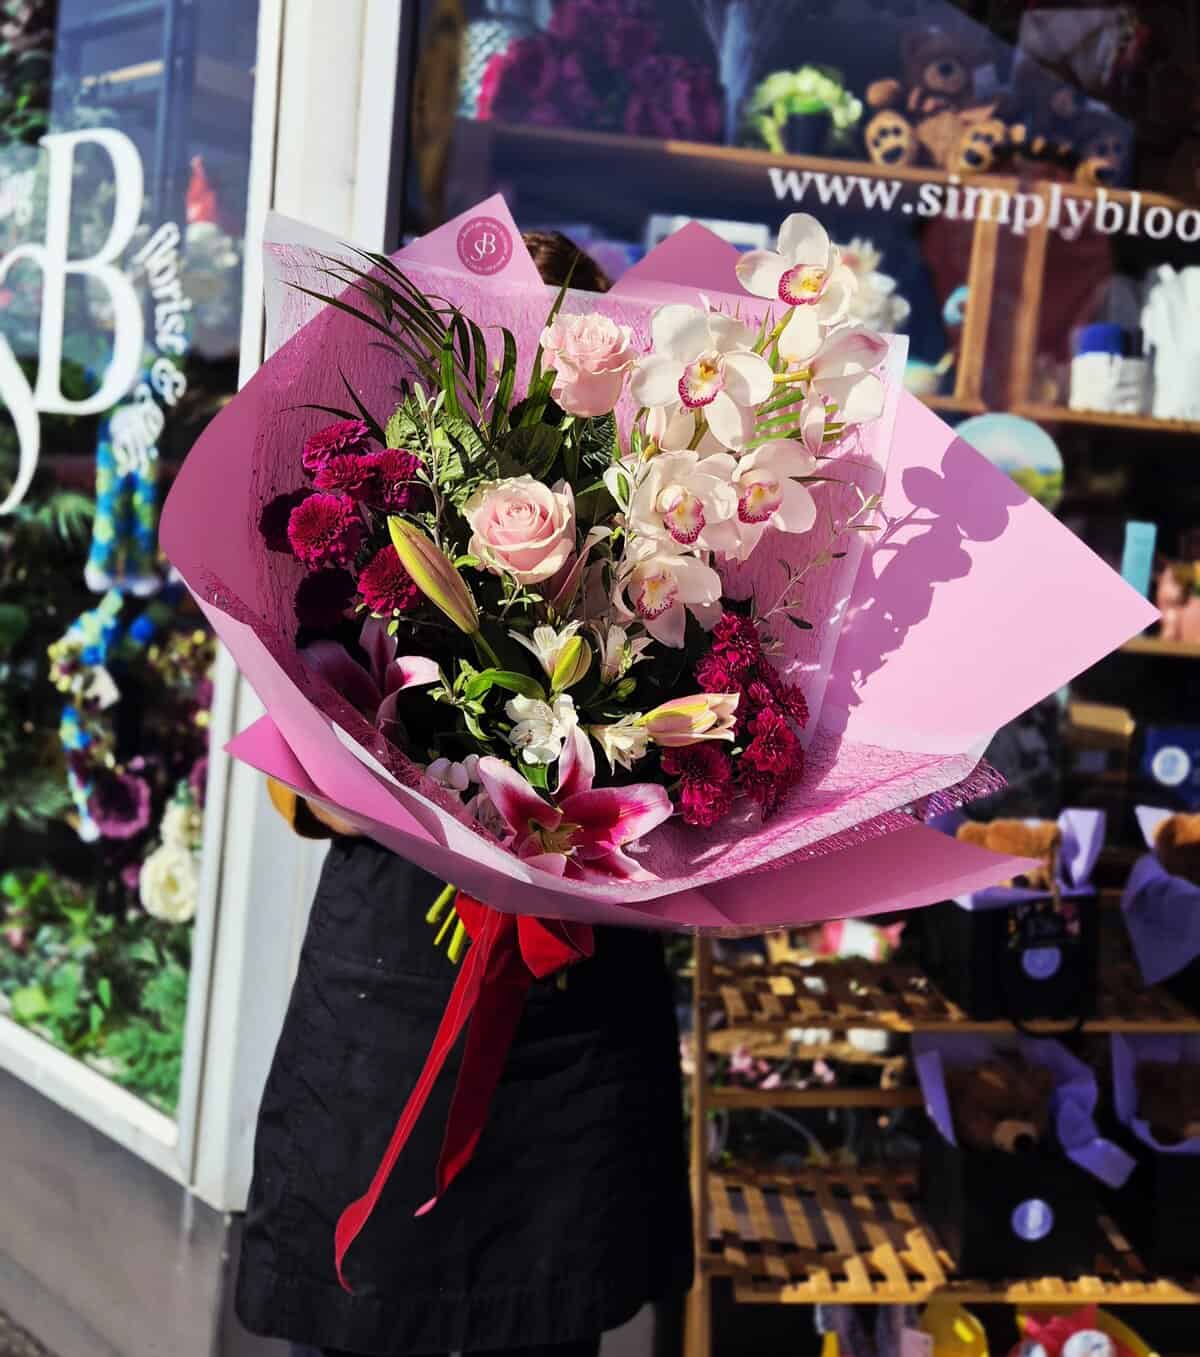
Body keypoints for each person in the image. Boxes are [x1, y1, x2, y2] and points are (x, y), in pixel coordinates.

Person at [235, 232, 693, 1357]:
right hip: (390, 985)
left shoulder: (673, 546)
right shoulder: (391, 527)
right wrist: (450, 811)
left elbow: (705, 783)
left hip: (572, 999)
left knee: (542, 1319)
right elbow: (303, 791)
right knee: (364, 1309)